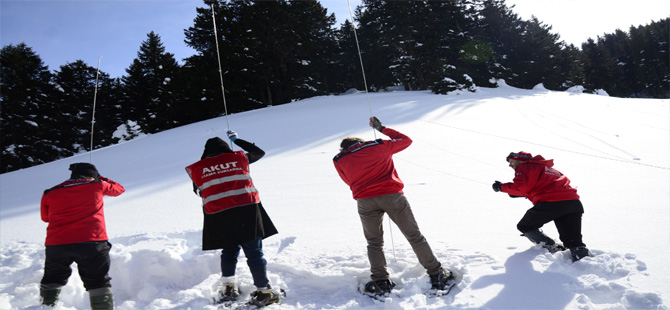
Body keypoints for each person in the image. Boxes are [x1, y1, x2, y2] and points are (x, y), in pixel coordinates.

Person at [333, 116, 456, 296]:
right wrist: (381, 128)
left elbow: (348, 181)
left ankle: (381, 281)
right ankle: (436, 274)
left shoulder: (339, 159)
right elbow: (406, 140)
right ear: (361, 142)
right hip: (392, 195)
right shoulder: (377, 146)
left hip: (365, 201)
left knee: (374, 243)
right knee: (414, 236)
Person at [185, 131, 281, 307]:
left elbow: (199, 191)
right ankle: (264, 292)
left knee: (229, 250)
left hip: (219, 215)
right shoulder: (239, 158)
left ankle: (229, 288)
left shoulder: (197, 168)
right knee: (254, 252)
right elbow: (259, 152)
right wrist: (236, 140)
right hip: (247, 211)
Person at [39, 163, 125, 309]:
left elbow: (45, 217)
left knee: (52, 280)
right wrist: (101, 177)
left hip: (57, 244)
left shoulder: (50, 192)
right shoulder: (98, 185)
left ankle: (46, 306)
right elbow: (119, 189)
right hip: (92, 241)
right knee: (98, 281)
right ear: (93, 175)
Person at [492, 151, 593, 262]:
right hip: (573, 203)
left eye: (511, 161)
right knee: (574, 241)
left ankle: (552, 248)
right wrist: (524, 194)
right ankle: (586, 261)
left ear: (520, 160)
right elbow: (546, 186)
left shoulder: (526, 166)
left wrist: (501, 187)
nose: (510, 165)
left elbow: (522, 187)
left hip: (552, 203)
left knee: (526, 226)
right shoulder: (549, 170)